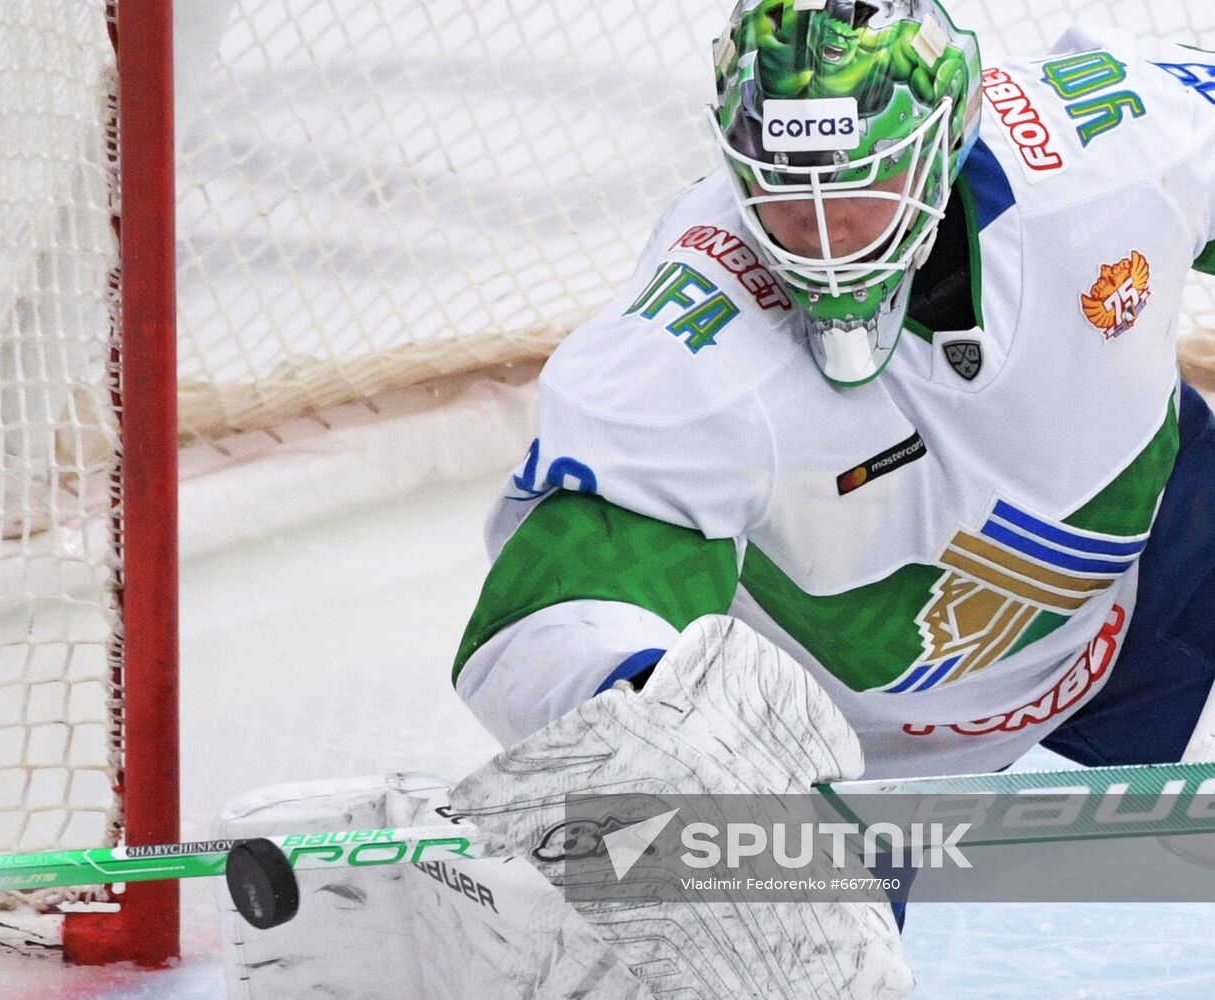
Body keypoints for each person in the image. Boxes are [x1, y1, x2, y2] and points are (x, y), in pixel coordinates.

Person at [447, 0, 1215, 993]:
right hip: (855, 775)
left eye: (862, 187)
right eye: (783, 193)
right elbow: (553, 597)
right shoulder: (692, 346)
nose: (822, 237)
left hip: (1138, 602)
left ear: (945, 135)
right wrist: (634, 717)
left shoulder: (1105, 153)